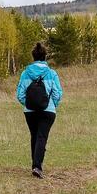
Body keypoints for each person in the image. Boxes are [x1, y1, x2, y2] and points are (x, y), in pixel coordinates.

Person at [15, 42, 63, 177]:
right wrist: (51, 104)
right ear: (45, 56)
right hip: (48, 111)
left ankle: (35, 165)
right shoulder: (52, 73)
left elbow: (20, 94)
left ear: (33, 56)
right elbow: (57, 93)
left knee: (34, 136)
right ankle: (37, 166)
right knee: (42, 137)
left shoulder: (25, 73)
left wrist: (29, 103)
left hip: (30, 112)